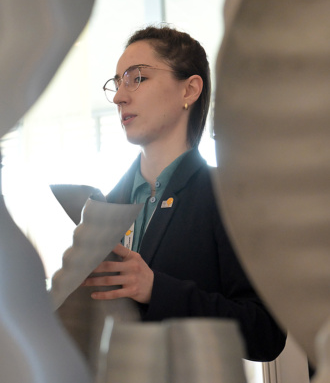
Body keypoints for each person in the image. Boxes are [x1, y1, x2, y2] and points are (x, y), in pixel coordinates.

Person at [82, 25, 286, 362]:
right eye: (117, 83)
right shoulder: (104, 206)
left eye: (137, 78)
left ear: (189, 90)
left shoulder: (230, 198)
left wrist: (156, 290)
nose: (120, 96)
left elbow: (265, 333)